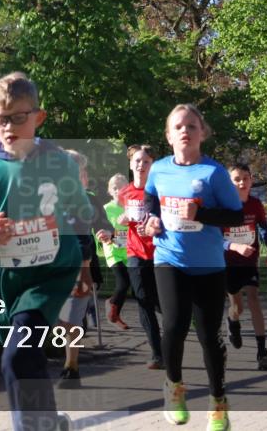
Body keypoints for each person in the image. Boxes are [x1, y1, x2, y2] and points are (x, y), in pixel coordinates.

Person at [0, 72, 90, 431]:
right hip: (2, 280)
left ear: (38, 117)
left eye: (18, 117)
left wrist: (84, 264)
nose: (8, 126)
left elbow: (78, 213)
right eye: (1, 119)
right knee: (24, 357)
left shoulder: (59, 163)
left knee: (17, 355)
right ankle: (50, 422)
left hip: (49, 275)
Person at [141, 104, 243, 430]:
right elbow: (149, 201)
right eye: (179, 127)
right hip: (169, 257)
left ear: (202, 133)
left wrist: (201, 215)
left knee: (209, 337)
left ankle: (217, 401)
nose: (185, 131)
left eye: (192, 126)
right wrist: (150, 219)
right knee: (173, 325)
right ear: (169, 135)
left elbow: (236, 216)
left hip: (209, 265)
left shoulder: (213, 174)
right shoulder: (158, 169)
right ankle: (173, 388)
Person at [222, 163, 267, 370]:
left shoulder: (255, 204)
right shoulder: (223, 206)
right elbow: (217, 238)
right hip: (229, 263)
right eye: (237, 179)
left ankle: (262, 351)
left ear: (251, 180)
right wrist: (234, 246)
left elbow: (262, 227)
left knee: (254, 300)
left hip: (250, 261)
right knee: (238, 307)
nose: (242, 182)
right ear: (230, 182)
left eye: (246, 178)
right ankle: (232, 321)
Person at [54, 150, 99, 390]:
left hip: (77, 267)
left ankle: (71, 367)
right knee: (56, 320)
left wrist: (84, 271)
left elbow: (84, 240)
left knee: (70, 320)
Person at [116, 145, 162, 369]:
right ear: (130, 164)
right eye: (137, 161)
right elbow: (121, 220)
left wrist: (155, 228)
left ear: (152, 165)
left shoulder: (158, 190)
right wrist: (123, 220)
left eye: (146, 162)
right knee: (143, 301)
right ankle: (157, 354)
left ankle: (184, 316)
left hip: (160, 252)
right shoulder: (125, 192)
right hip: (135, 252)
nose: (141, 165)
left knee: (160, 301)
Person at [98, 174, 130, 330]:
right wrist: (103, 237)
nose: (118, 190)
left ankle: (115, 310)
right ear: (110, 191)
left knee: (129, 283)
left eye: (122, 187)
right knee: (123, 282)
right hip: (113, 251)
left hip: (129, 251)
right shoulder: (106, 209)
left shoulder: (130, 208)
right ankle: (112, 310)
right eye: (115, 188)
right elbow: (98, 229)